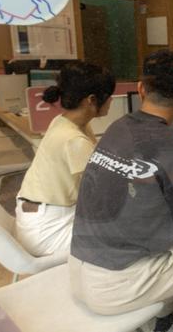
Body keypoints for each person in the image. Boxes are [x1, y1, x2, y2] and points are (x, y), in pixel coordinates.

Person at [69, 50, 173, 332]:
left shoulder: (118, 128)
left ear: (140, 89)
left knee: (169, 248)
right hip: (115, 286)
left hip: (78, 269)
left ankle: (163, 317)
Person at [15, 61, 115, 257]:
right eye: (109, 96)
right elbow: (105, 189)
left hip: (39, 215)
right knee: (123, 235)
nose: (111, 100)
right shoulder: (73, 139)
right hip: (48, 230)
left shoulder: (64, 122)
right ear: (91, 100)